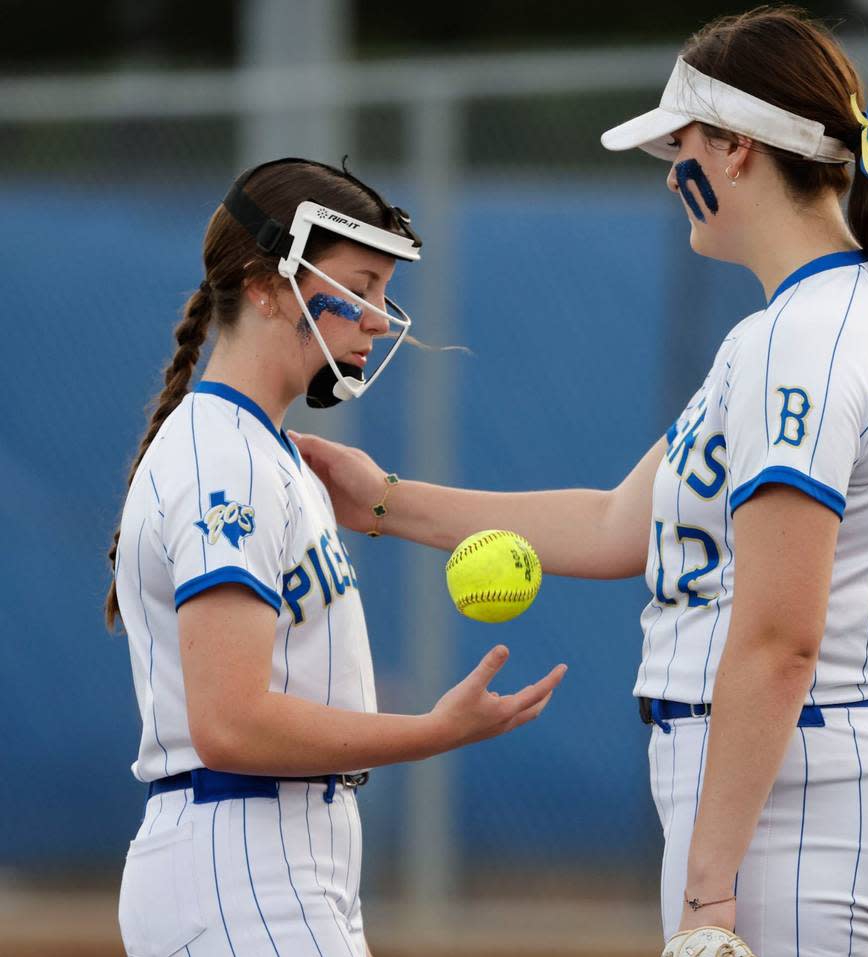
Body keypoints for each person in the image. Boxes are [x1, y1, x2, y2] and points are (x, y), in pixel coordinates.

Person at [291, 7, 868, 955]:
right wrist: (381, 500)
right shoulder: (792, 328)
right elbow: (622, 522)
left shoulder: (807, 340)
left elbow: (783, 636)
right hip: (793, 788)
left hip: (793, 798)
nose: (672, 173)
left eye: (683, 144)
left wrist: (709, 895)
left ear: (741, 148)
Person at [105, 156, 567, 957]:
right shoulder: (229, 460)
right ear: (265, 282)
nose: (381, 317)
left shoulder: (264, 450)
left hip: (271, 856)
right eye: (363, 284)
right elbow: (230, 722)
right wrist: (432, 731)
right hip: (242, 859)